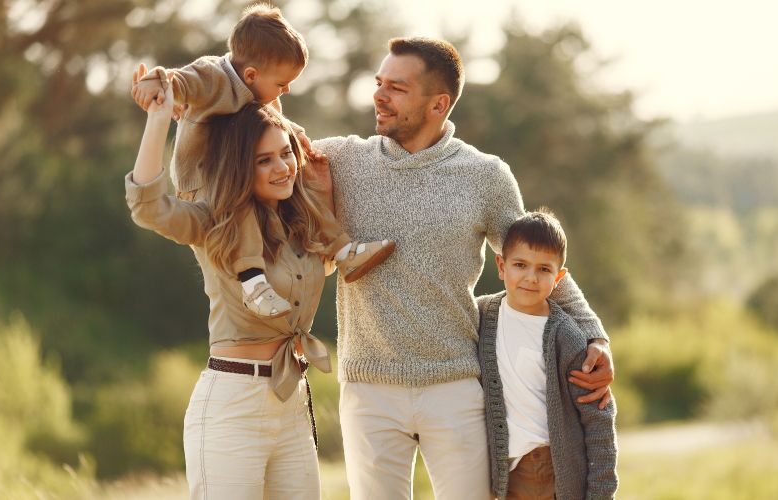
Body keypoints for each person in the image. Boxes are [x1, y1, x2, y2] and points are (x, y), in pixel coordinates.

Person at [309, 37, 614, 499]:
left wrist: (596, 336)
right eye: (379, 83)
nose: (378, 95)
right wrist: (195, 93)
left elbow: (534, 263)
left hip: (456, 385)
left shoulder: (486, 175)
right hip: (368, 389)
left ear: (438, 103)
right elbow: (261, 139)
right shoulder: (341, 159)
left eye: (396, 87)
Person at [126, 78, 332, 498]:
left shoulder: (301, 226)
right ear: (240, 166)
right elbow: (149, 207)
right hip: (232, 404)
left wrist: (323, 186)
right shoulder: (213, 223)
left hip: (292, 398)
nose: (282, 167)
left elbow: (332, 260)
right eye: (263, 161)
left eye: (285, 153)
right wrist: (159, 118)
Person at [131, 3, 394, 319]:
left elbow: (271, 123)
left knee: (303, 180)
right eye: (282, 83)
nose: (287, 89)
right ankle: (253, 281)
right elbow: (179, 81)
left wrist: (297, 139)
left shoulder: (261, 90)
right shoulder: (214, 76)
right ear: (251, 74)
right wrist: (155, 85)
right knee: (241, 206)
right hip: (204, 182)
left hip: (239, 173)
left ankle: (341, 249)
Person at [477, 209, 618, 500]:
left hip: (545, 467)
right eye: (520, 265)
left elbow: (598, 417)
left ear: (559, 277)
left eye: (544, 269)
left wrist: (601, 493)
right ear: (501, 266)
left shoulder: (566, 336)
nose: (530, 277)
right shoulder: (481, 315)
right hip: (502, 469)